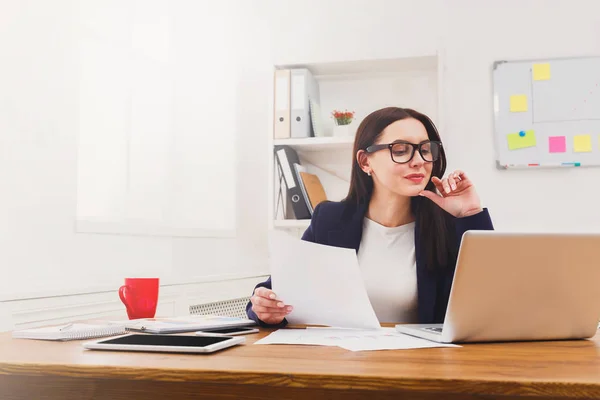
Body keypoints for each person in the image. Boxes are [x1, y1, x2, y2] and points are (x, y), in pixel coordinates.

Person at [246, 107, 494, 327]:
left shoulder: (447, 224)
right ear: (366, 162)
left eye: (425, 149)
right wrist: (265, 307)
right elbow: (279, 291)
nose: (419, 161)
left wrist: (470, 214)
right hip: (343, 365)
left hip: (421, 367)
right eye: (401, 149)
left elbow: (490, 304)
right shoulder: (331, 220)